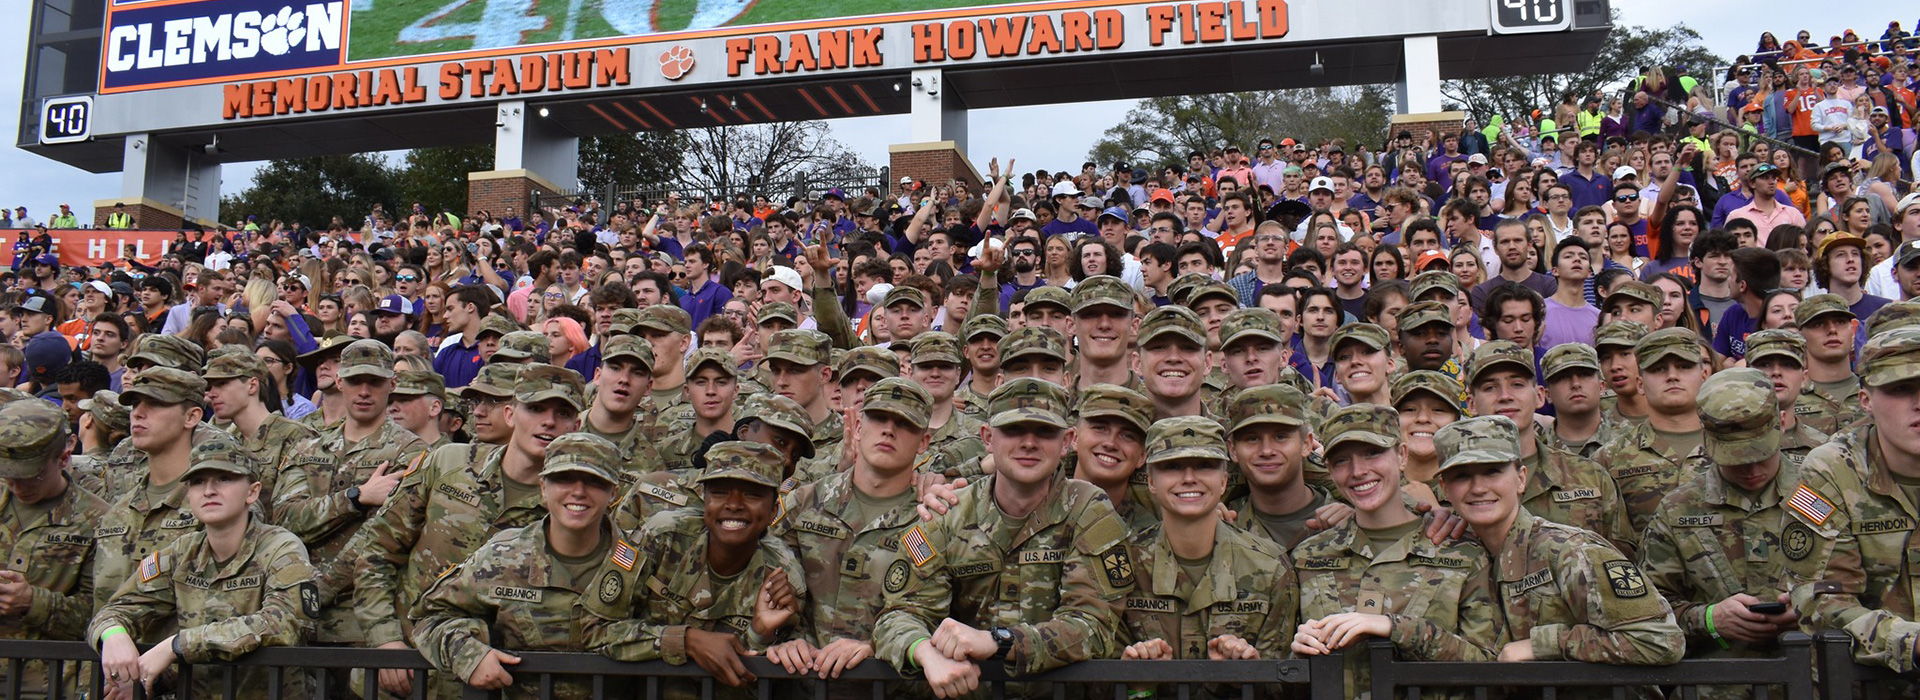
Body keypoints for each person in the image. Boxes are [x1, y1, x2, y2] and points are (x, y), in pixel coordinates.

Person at [872, 378, 1131, 698]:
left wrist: (998, 641)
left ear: (1067, 441)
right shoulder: (949, 513)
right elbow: (900, 613)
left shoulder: (1088, 509)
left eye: (1044, 432)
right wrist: (924, 651)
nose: (1029, 443)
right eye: (1014, 430)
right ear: (987, 439)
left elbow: (1092, 626)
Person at [349, 362, 585, 696]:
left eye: (562, 413)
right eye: (535, 408)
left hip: (494, 681)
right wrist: (384, 638)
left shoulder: (574, 505)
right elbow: (378, 551)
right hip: (405, 671)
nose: (548, 421)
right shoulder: (449, 463)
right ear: (511, 413)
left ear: (577, 425)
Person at [1433, 416, 1683, 670]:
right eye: (1462, 476)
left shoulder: (1570, 550)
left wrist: (1544, 644)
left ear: (1521, 478)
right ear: (1444, 488)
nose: (1478, 488)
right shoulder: (1464, 555)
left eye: (1492, 471)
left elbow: (1659, 640)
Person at [89, 432, 318, 699]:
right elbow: (116, 609)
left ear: (252, 492)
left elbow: (283, 625)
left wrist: (177, 646)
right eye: (198, 482)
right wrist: (114, 635)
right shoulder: (182, 553)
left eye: (224, 478)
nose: (209, 490)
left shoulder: (280, 547)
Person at [1289, 404, 1499, 688]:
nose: (1358, 471)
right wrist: (1297, 655)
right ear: (1329, 470)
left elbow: (1491, 666)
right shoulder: (1308, 556)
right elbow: (1278, 682)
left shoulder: (1462, 552)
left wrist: (1396, 628)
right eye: (1341, 461)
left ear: (1401, 455)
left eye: (1373, 453)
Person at [409, 433, 629, 700]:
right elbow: (428, 616)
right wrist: (469, 655)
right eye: (564, 478)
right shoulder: (502, 557)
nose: (579, 491)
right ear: (543, 487)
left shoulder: (641, 562)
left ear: (614, 492)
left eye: (595, 481)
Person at [581, 441, 807, 695]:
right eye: (720, 492)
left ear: (773, 509)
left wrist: (759, 635)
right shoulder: (661, 537)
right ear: (704, 498)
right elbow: (595, 629)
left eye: (752, 494)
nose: (734, 504)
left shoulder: (781, 577)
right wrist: (686, 641)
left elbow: (765, 686)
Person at [764, 378, 935, 688]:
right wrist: (788, 637)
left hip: (895, 687)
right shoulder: (805, 502)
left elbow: (945, 610)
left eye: (904, 423)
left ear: (923, 443)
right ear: (858, 429)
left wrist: (878, 647)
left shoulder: (933, 517)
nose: (888, 430)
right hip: (806, 684)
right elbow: (769, 583)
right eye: (879, 418)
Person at [1639, 369, 1813, 674]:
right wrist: (1709, 620)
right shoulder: (1677, 511)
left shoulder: (1824, 494)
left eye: (1761, 453)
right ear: (1707, 440)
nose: (1751, 468)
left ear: (1782, 424)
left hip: (1814, 680)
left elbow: (1868, 588)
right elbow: (1647, 611)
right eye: (1737, 459)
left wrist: (1811, 607)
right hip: (1717, 684)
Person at [274, 339, 425, 651]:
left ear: (392, 384)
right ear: (340, 382)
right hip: (297, 621)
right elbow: (285, 519)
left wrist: (320, 589)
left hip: (362, 623)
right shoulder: (308, 447)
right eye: (356, 381)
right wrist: (356, 498)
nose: (365, 391)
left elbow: (381, 534)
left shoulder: (411, 452)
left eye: (375, 382)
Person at [1789, 326, 1920, 676]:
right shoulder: (1831, 470)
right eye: (1901, 389)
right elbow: (1820, 600)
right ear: (1866, 401)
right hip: (1874, 679)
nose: (1918, 403)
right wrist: (1911, 644)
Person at [1118, 415, 1298, 667]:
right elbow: (1094, 686)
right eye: (1172, 466)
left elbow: (1287, 685)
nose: (1189, 478)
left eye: (1204, 465)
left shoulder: (1269, 567)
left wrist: (1252, 673)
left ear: (1223, 480)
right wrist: (1132, 680)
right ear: (1150, 481)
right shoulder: (1124, 564)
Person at [1466, 341, 1634, 553]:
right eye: (1490, 387)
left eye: (1517, 384)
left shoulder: (1590, 476)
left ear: (1539, 396)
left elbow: (1621, 563)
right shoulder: (1454, 488)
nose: (1505, 395)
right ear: (1471, 404)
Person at [0, 399, 111, 694]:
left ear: (64, 457)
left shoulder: (99, 520)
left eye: (31, 475)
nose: (17, 486)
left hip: (47, 683)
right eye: (9, 475)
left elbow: (105, 616)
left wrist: (32, 602)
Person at [1596, 328, 1712, 536]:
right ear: (1640, 384)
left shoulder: (1735, 444)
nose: (1672, 376)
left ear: (1704, 376)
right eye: (1658, 369)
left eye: (1684, 367)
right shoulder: (1611, 458)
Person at [204, 350, 314, 508]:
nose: (212, 394)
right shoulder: (225, 440)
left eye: (222, 384)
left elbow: (300, 509)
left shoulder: (296, 435)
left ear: (252, 385)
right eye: (210, 386)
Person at [1742, 330, 1832, 468]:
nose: (1776, 372)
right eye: (1764, 364)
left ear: (1804, 378)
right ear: (1746, 375)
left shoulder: (1825, 449)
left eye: (1788, 364)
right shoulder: (1725, 444)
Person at [1791, 295, 1866, 435]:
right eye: (1818, 324)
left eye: (1840, 322)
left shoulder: (1875, 391)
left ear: (1853, 330)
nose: (1832, 330)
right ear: (1800, 336)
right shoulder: (1789, 398)